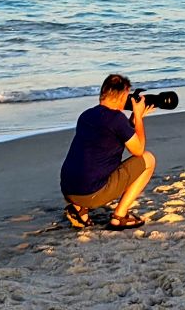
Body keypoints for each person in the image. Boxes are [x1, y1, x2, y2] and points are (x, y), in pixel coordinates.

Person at [59, 73, 157, 230]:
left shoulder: (86, 115)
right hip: (92, 193)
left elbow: (107, 138)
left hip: (69, 190)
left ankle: (80, 210)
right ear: (122, 96)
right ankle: (119, 217)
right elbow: (138, 150)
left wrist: (132, 121)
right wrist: (138, 117)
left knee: (89, 165)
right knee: (148, 159)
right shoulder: (116, 119)